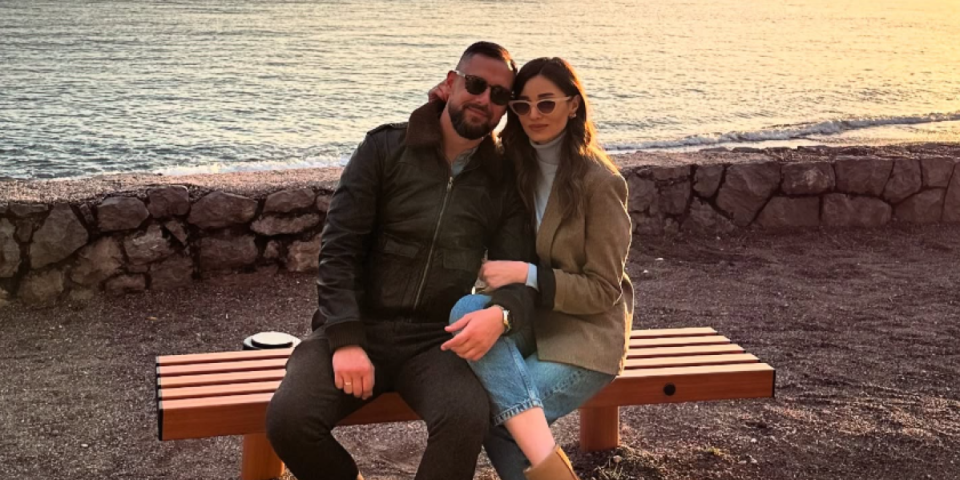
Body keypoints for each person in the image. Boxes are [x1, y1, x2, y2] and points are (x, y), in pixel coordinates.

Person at [265, 41, 538, 480]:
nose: (484, 99)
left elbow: (517, 274)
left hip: (436, 338)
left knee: (466, 417)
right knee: (289, 419)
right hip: (359, 324)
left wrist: (502, 315)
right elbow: (339, 249)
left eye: (500, 94)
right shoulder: (385, 148)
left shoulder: (502, 178)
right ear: (451, 83)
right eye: (475, 84)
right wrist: (346, 338)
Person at [438, 57, 634, 480]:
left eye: (546, 104)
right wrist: (439, 103)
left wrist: (526, 274)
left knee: (498, 418)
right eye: (521, 105)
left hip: (586, 334)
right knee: (466, 310)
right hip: (532, 319)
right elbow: (455, 142)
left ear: (573, 105)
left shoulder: (600, 184)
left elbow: (604, 290)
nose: (533, 115)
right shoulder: (514, 164)